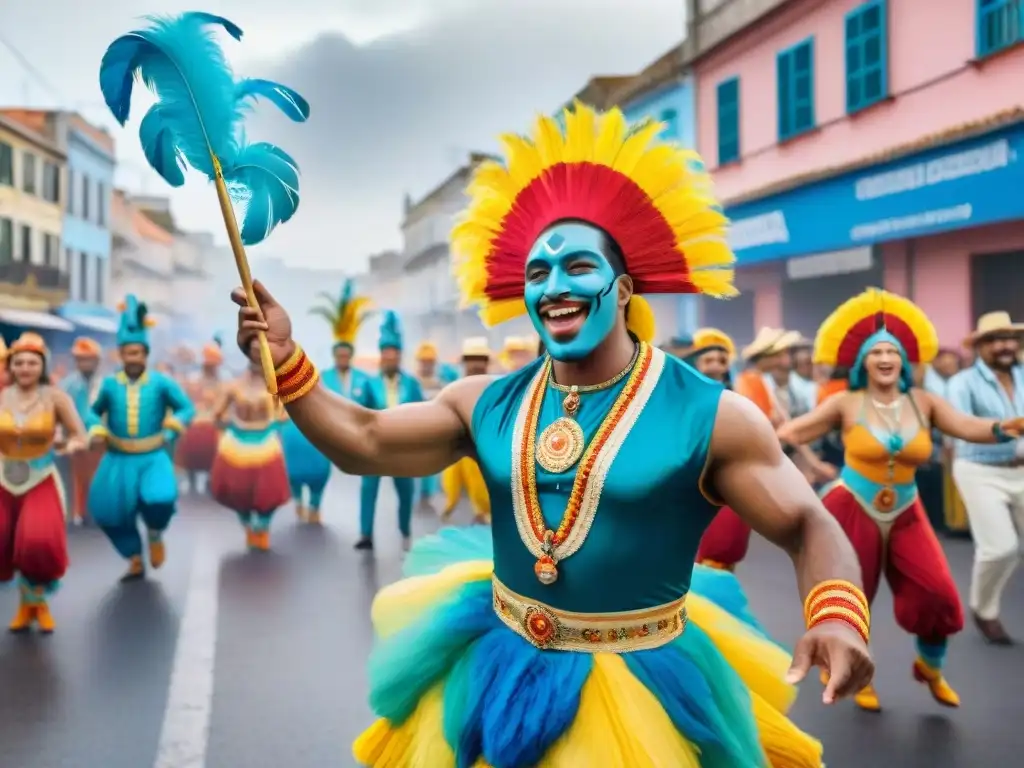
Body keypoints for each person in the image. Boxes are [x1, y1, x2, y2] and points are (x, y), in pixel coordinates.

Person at [235, 103, 873, 767]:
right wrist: (285, 362)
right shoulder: (483, 402)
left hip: (642, 687)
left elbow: (806, 522)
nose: (555, 288)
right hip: (497, 660)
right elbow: (364, 439)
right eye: (539, 274)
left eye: (577, 269)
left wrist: (836, 615)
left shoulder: (708, 415)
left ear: (623, 288)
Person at [779, 289, 1024, 712]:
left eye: (893, 351)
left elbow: (968, 427)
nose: (886, 358)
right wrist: (805, 467)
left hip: (907, 510)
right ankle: (853, 675)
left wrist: (1008, 426)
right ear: (863, 363)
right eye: (878, 353)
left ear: (904, 361)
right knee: (851, 595)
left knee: (937, 595)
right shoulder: (845, 401)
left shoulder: (923, 401)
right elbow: (788, 434)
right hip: (854, 504)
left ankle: (929, 669)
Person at [87, 295, 195, 581]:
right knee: (108, 511)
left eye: (138, 353)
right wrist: (96, 428)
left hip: (153, 455)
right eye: (128, 353)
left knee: (160, 498)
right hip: (118, 457)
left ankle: (155, 532)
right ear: (120, 355)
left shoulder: (161, 382)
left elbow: (186, 407)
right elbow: (91, 412)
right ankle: (134, 556)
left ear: (146, 355)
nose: (133, 358)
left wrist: (173, 426)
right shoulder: (110, 385)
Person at [1, 333, 87, 633]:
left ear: (43, 366)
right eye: (19, 362)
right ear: (11, 366)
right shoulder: (1, 395)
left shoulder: (56, 397)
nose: (25, 368)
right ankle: (28, 604)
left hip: (39, 477)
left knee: (36, 540)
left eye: (32, 362)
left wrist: (70, 445)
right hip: (3, 477)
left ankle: (35, 603)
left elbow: (80, 435)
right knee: (2, 539)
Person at [948, 311, 1024, 645]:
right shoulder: (961, 383)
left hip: (1021, 469)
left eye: (1009, 338)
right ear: (980, 346)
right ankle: (984, 609)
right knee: (1001, 549)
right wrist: (1007, 432)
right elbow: (959, 432)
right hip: (979, 470)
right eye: (995, 340)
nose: (1005, 346)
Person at [286, 279, 372, 523]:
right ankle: (306, 503)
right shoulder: (321, 377)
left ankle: (315, 504)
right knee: (314, 466)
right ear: (334, 356)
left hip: (355, 434)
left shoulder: (364, 380)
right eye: (339, 354)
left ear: (351, 355)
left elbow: (373, 407)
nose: (343, 358)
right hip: (328, 432)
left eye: (346, 354)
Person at [210, 337, 291, 551]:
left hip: (265, 443)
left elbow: (284, 415)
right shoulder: (233, 387)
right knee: (238, 492)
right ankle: (248, 526)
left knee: (270, 491)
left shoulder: (275, 388)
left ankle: (262, 527)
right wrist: (227, 426)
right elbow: (217, 414)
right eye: (253, 353)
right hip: (236, 444)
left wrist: (272, 423)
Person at [354, 311, 424, 552]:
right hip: (376, 447)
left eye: (393, 355)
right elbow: (361, 414)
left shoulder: (412, 384)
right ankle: (365, 534)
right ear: (381, 358)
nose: (389, 359)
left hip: (402, 448)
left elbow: (422, 414)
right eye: (385, 355)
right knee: (368, 489)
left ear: (399, 357)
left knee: (405, 492)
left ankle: (405, 531)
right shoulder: (369, 384)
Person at [687, 329, 752, 572]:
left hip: (729, 484)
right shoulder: (683, 399)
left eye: (721, 360)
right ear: (696, 364)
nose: (715, 366)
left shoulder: (738, 400)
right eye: (708, 360)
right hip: (690, 484)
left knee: (723, 551)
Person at [439, 337, 492, 525]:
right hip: (464, 459)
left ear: (486, 363)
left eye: (480, 358)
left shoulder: (501, 389)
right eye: (471, 359)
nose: (476, 364)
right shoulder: (453, 392)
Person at [60, 336, 104, 524]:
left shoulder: (105, 385)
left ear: (97, 361)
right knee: (76, 479)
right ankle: (78, 513)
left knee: (100, 478)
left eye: (88, 359)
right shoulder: (67, 385)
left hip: (101, 441)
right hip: (75, 441)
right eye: (80, 359)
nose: (85, 363)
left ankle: (96, 513)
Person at [175, 335, 224, 495]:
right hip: (194, 424)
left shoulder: (223, 381)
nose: (211, 368)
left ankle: (209, 479)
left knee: (215, 454)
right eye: (209, 364)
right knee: (189, 452)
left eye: (213, 365)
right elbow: (184, 403)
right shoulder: (193, 379)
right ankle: (191, 480)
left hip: (213, 425)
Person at [413, 341, 443, 511]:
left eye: (429, 362)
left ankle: (427, 493)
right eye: (424, 362)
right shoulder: (412, 383)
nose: (426, 365)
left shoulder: (440, 384)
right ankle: (417, 495)